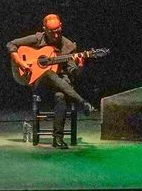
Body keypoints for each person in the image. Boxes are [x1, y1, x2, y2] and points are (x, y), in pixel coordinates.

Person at [6, 13, 93, 149]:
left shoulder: (69, 46)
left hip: (60, 85)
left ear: (61, 27)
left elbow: (73, 73)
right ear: (45, 29)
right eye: (52, 32)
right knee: (48, 72)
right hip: (37, 81)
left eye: (58, 31)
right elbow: (11, 44)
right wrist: (19, 62)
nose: (56, 35)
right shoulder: (38, 38)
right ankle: (82, 102)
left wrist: (80, 66)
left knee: (61, 96)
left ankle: (57, 138)